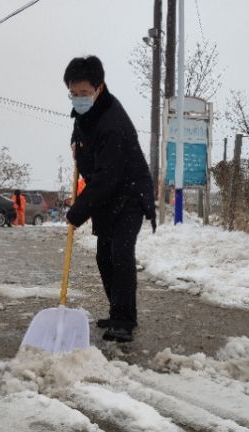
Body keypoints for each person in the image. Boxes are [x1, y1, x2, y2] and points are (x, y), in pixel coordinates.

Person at [63, 56, 156, 343]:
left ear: (99, 87)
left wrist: (76, 212)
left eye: (84, 94)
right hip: (107, 197)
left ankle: (125, 320)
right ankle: (118, 311)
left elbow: (108, 177)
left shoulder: (112, 122)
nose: (78, 99)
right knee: (104, 256)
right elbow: (82, 142)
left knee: (120, 253)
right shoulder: (85, 115)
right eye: (73, 94)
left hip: (128, 195)